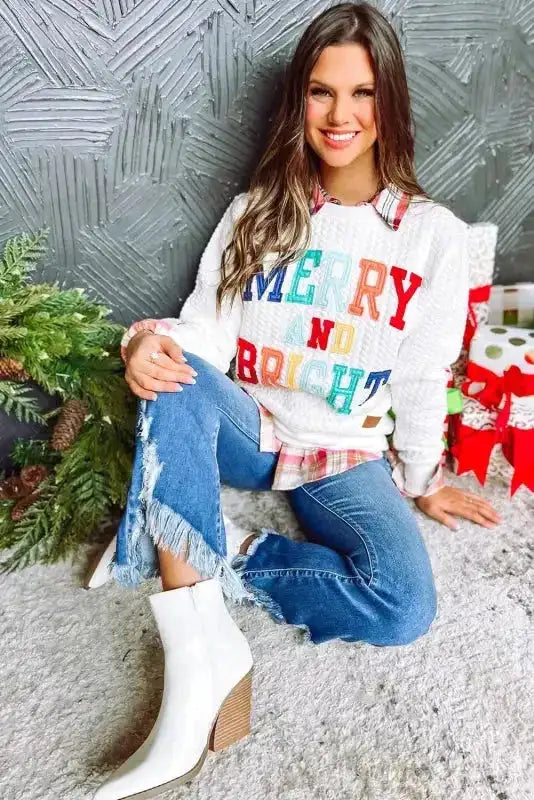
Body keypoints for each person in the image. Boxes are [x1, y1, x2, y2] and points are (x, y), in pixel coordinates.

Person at [92, 3, 500, 799]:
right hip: (249, 426)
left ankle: (229, 553)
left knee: (402, 608)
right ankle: (193, 671)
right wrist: (146, 344)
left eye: (362, 93)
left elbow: (421, 377)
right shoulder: (259, 211)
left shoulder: (433, 238)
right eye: (321, 92)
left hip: (342, 452)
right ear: (299, 102)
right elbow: (205, 332)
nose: (340, 115)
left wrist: (422, 479)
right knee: (173, 364)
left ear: (391, 103)